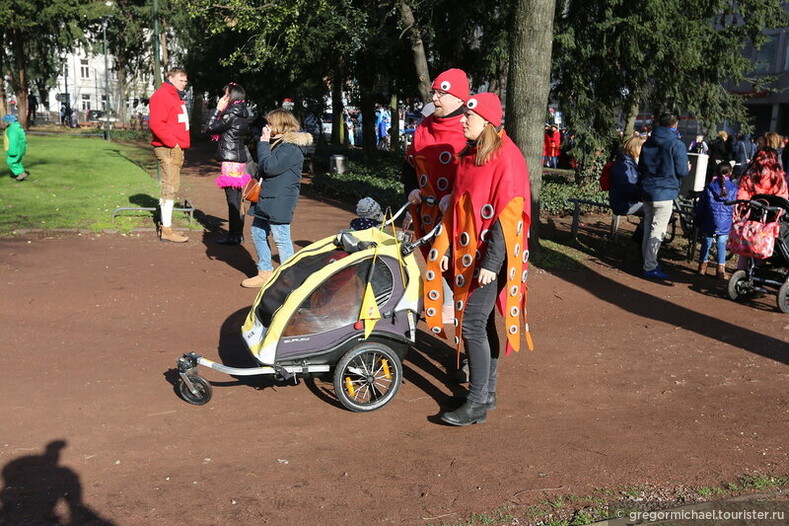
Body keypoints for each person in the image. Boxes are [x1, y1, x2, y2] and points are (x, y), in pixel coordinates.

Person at [423, 93, 532, 426]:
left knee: (471, 324)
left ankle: (477, 402)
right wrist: (443, 250)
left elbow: (507, 215)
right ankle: (488, 391)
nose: (461, 121)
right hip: (467, 255)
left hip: (488, 260)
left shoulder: (506, 157)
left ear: (485, 120)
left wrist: (492, 263)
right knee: (481, 323)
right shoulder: (471, 155)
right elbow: (457, 207)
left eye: (468, 117)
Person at [403, 68, 470, 325]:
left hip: (458, 217)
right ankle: (445, 301)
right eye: (435, 92)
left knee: (457, 263)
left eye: (443, 92)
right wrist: (411, 189)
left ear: (459, 98)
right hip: (427, 212)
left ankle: (457, 308)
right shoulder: (423, 126)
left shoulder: (469, 128)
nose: (436, 98)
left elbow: (477, 173)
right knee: (432, 257)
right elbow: (409, 165)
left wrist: (455, 196)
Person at [241, 109, 313, 288]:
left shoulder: (290, 148)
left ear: (281, 125)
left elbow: (269, 167)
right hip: (267, 197)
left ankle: (290, 278)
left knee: (281, 238)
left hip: (280, 200)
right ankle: (265, 272)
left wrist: (263, 143)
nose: (267, 127)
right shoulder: (280, 144)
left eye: (270, 124)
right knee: (257, 232)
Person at [637, 112, 689, 280]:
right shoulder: (677, 144)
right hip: (665, 191)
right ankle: (649, 266)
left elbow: (641, 167)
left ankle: (647, 262)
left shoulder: (647, 143)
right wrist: (687, 167)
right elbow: (682, 171)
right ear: (674, 126)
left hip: (648, 190)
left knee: (648, 228)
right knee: (657, 230)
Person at [205, 82, 251, 245]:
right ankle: (238, 233)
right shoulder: (242, 114)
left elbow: (210, 128)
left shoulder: (230, 114)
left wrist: (217, 109)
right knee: (237, 198)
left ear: (231, 97)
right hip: (239, 159)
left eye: (225, 94)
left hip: (230, 160)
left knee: (232, 200)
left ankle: (234, 235)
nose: (222, 97)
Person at [149, 67, 191, 243]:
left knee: (172, 186)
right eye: (181, 79)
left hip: (175, 147)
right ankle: (166, 229)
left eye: (185, 80)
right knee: (170, 187)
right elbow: (157, 123)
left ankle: (165, 225)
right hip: (169, 147)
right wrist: (172, 143)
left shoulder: (175, 96)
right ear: (170, 77)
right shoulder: (162, 95)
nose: (184, 83)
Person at [695, 164, 737, 279]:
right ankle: (720, 270)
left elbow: (702, 206)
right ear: (730, 173)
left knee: (707, 241)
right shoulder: (734, 188)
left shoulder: (709, 187)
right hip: (725, 221)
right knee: (721, 242)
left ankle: (702, 267)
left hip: (709, 218)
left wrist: (698, 220)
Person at [608, 135, 646, 216]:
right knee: (653, 211)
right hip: (624, 203)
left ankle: (642, 228)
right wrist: (644, 193)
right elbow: (627, 186)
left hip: (629, 201)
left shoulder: (631, 163)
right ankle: (642, 229)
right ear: (635, 148)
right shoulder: (624, 164)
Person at [2, 114, 28, 181]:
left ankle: (21, 173)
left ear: (8, 121)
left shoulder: (12, 129)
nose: (3, 123)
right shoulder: (16, 127)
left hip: (14, 149)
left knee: (11, 161)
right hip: (20, 148)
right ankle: (20, 174)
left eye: (4, 121)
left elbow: (13, 140)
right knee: (17, 161)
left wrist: (12, 151)